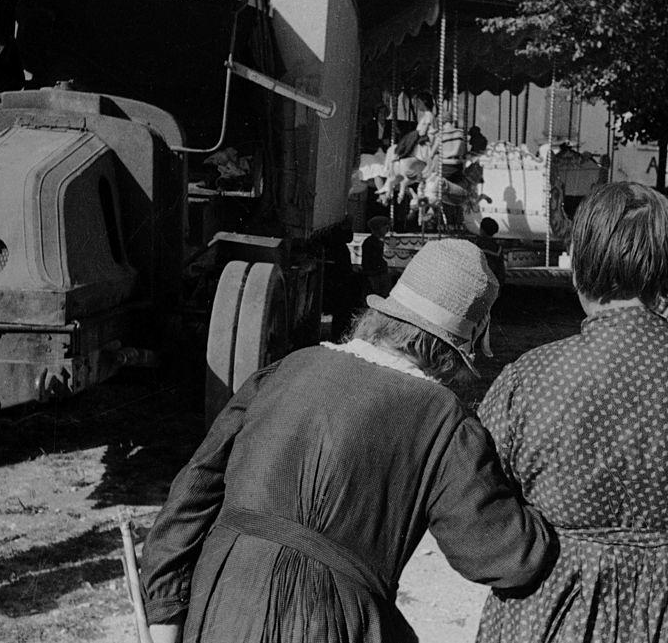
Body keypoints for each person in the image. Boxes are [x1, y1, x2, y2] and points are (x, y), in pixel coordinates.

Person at [141, 239, 559, 643]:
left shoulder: (285, 370)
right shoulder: (443, 418)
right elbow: (498, 553)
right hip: (331, 621)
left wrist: (165, 618)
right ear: (455, 350)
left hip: (222, 606)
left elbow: (189, 499)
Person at [476, 181, 668, 643]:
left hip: (552, 606)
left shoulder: (531, 377)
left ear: (581, 265)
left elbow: (477, 501)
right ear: (667, 267)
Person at [361, 215, 392, 297]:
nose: (387, 230)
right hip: (374, 275)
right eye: (385, 227)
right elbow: (368, 261)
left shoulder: (378, 241)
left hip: (378, 274)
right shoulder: (370, 242)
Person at [475, 217, 507, 287]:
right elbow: (501, 270)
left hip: (478, 283)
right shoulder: (497, 248)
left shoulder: (476, 245)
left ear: (482, 230)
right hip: (492, 285)